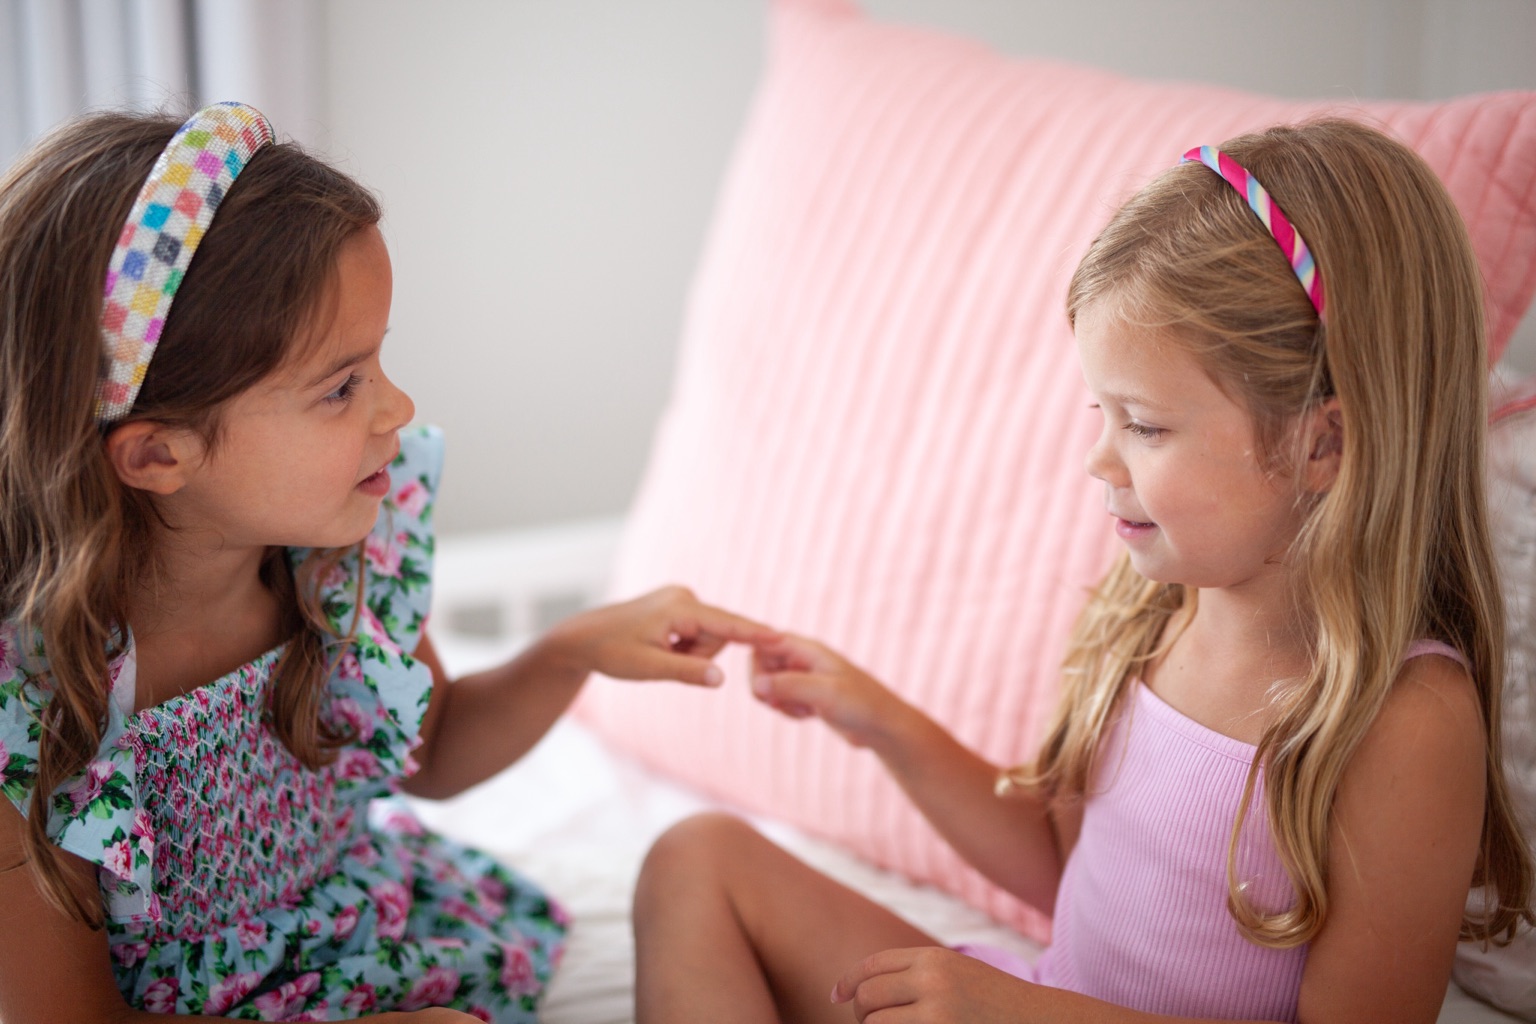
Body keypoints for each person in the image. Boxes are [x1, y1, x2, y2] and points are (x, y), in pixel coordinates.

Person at [632, 117, 1536, 1023]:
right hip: (1033, 1002)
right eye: (1098, 413)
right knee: (698, 860)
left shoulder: (1403, 720)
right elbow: (1064, 868)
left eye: (1143, 424)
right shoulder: (1150, 610)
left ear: (1322, 442)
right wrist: (882, 722)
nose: (1099, 461)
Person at [0, 103, 775, 1023]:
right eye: (340, 386)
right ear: (159, 455)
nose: (397, 407)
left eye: (379, 362)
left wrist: (571, 652)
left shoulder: (336, 568)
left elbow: (432, 753)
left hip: (370, 949)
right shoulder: (40, 714)